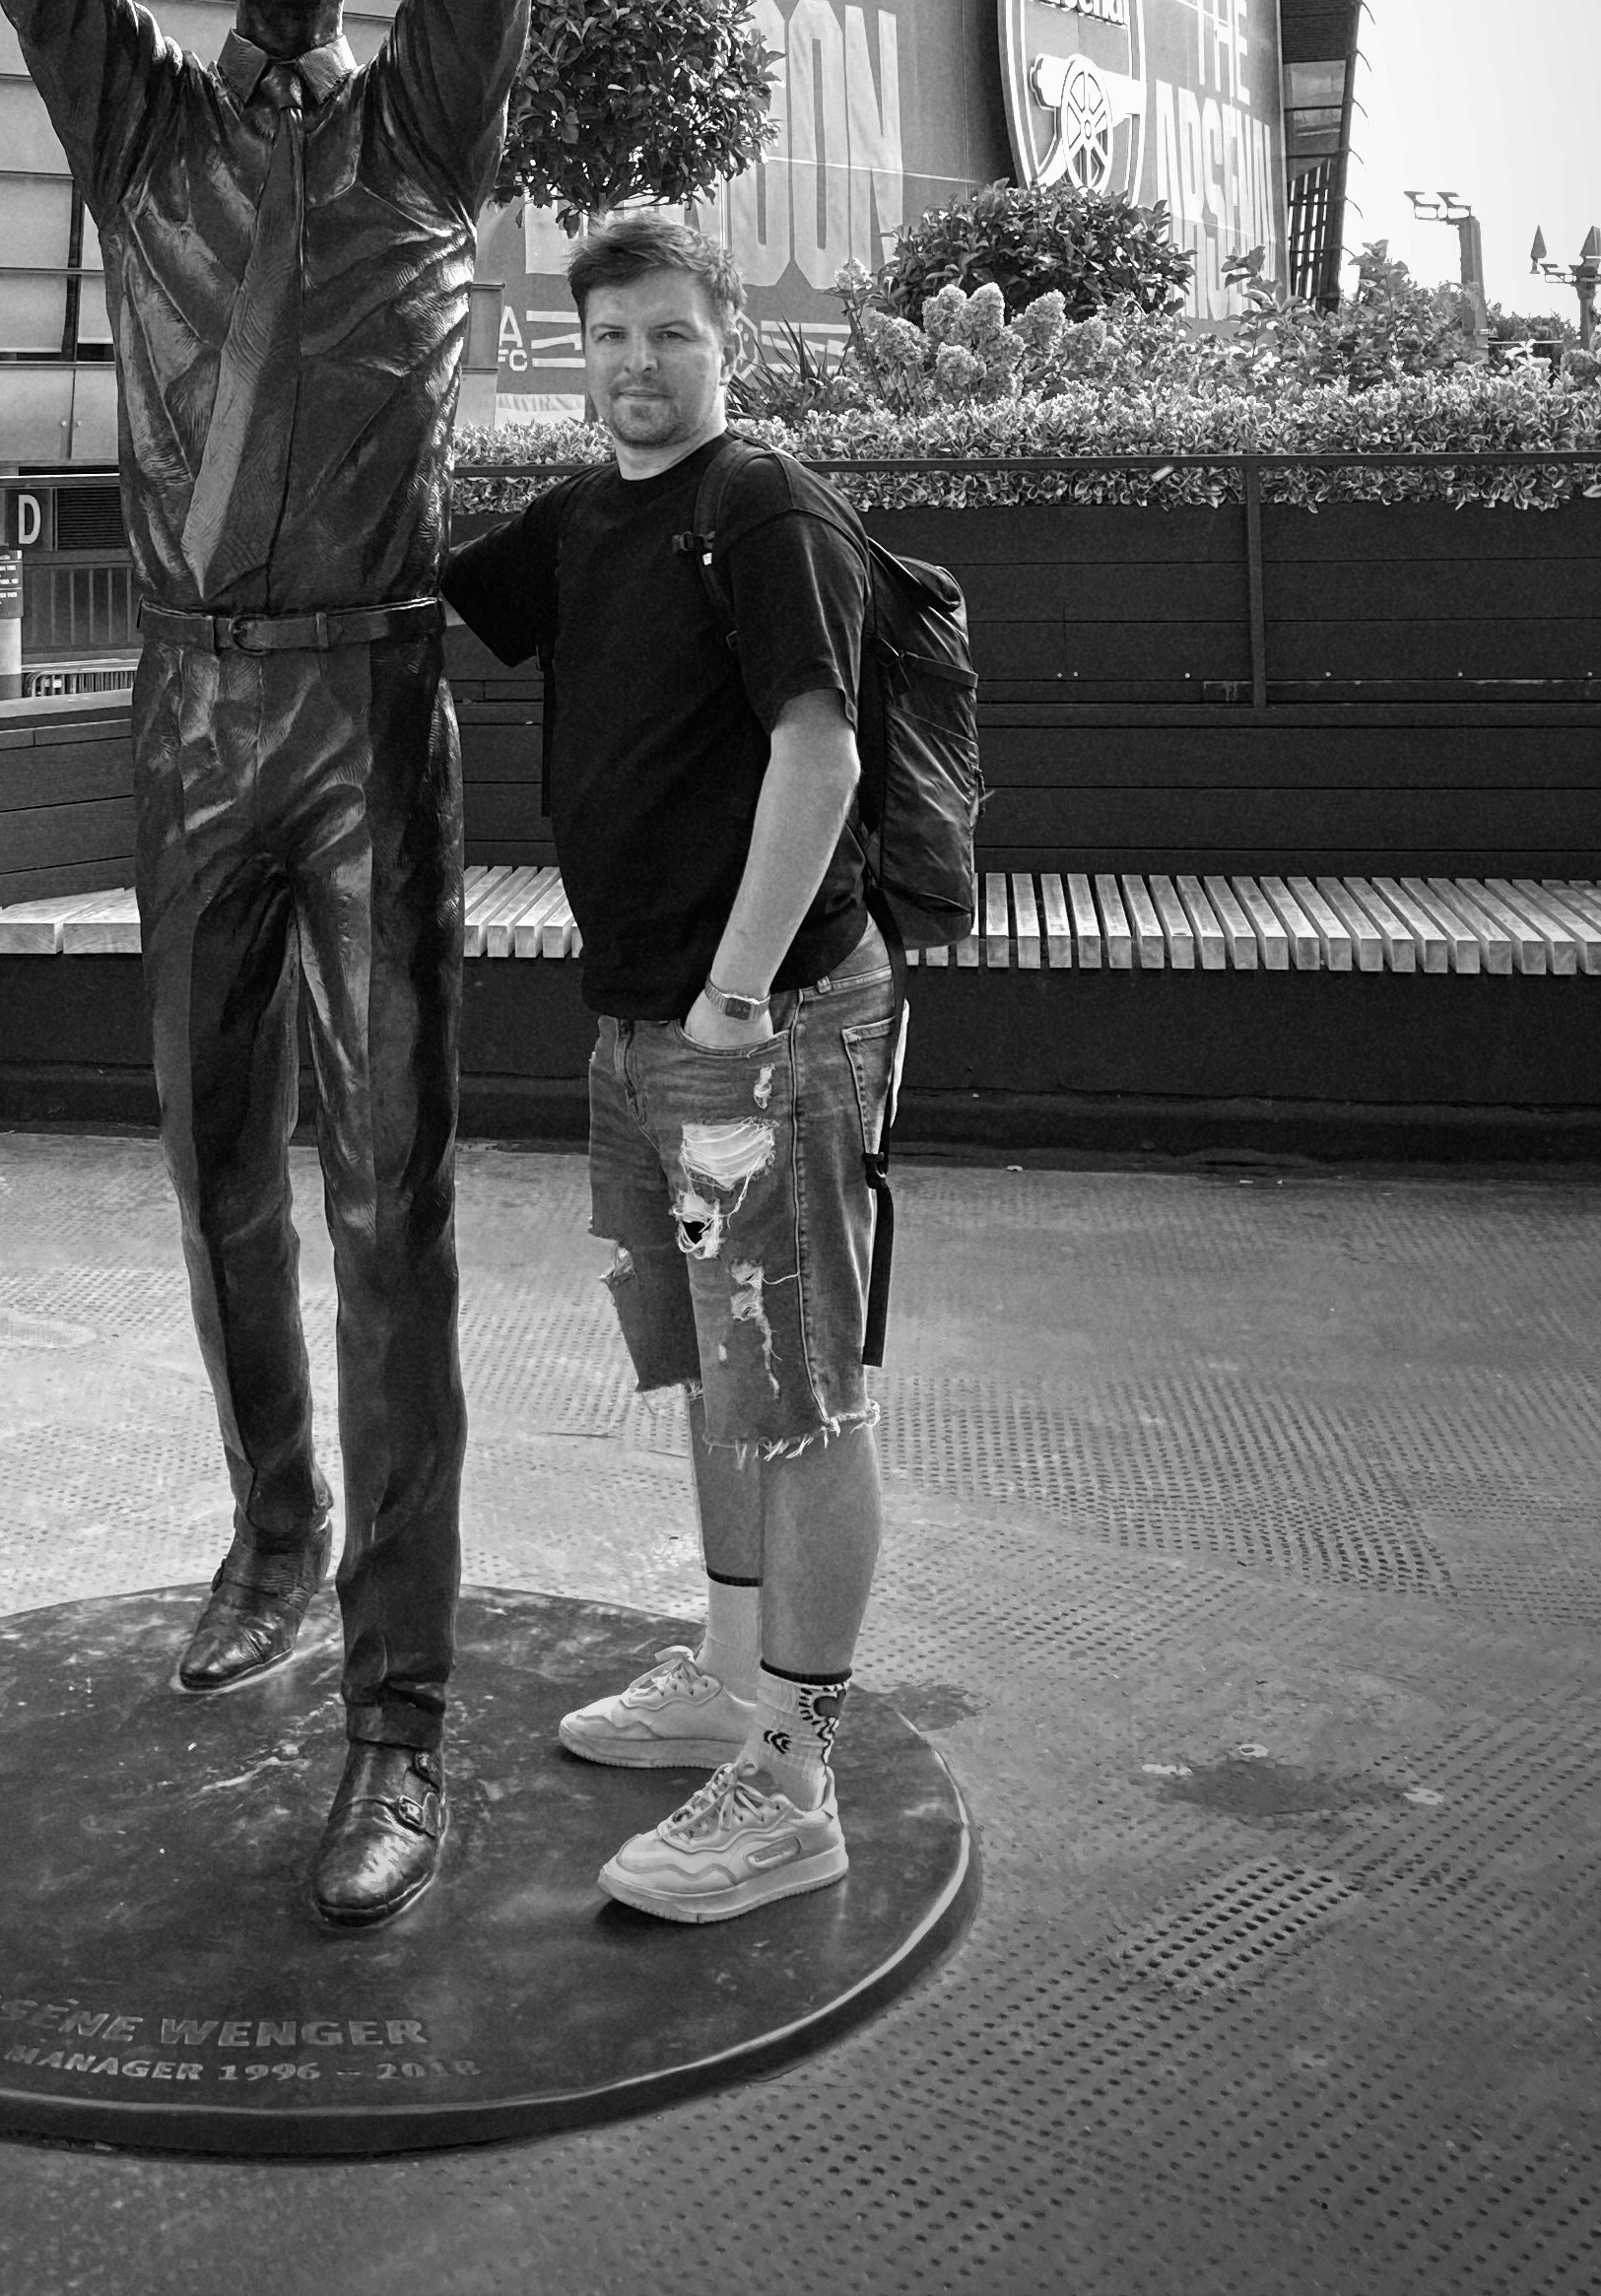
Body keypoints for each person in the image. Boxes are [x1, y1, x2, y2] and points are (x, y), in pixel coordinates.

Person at [0, 0, 548, 1926]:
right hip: (191, 719)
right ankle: (278, 1530)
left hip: (373, 716)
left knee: (393, 1213)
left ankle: (401, 1719)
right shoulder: (138, 131)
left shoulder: (432, 128)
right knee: (215, 1171)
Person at [443, 206, 903, 1923]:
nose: (637, 367)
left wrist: (730, 997)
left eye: (670, 336)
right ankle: (727, 1673)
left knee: (796, 1394)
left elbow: (822, 752)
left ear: (731, 345)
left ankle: (795, 1777)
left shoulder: (757, 508)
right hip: (639, 1027)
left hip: (755, 1029)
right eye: (609, 338)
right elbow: (411, 591)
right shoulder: (584, 519)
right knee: (715, 1376)